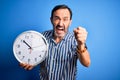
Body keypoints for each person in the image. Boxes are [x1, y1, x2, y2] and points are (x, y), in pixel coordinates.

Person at [20, 4, 91, 80]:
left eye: (65, 19)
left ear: (70, 22)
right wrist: (32, 62)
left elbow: (86, 63)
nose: (60, 24)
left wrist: (81, 44)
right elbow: (35, 55)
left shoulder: (76, 40)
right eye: (57, 18)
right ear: (51, 20)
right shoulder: (42, 37)